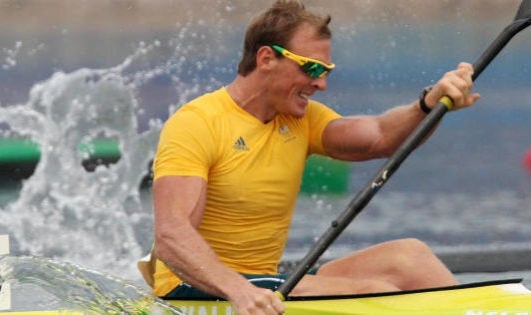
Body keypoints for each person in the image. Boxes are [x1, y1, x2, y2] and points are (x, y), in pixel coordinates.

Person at [148, 1, 480, 314]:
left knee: (409, 257)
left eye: (326, 71)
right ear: (266, 59)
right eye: (311, 68)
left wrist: (429, 103)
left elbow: (380, 136)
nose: (320, 83)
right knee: (375, 293)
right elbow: (171, 236)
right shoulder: (197, 123)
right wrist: (238, 290)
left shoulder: (301, 119)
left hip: (263, 286)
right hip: (193, 289)